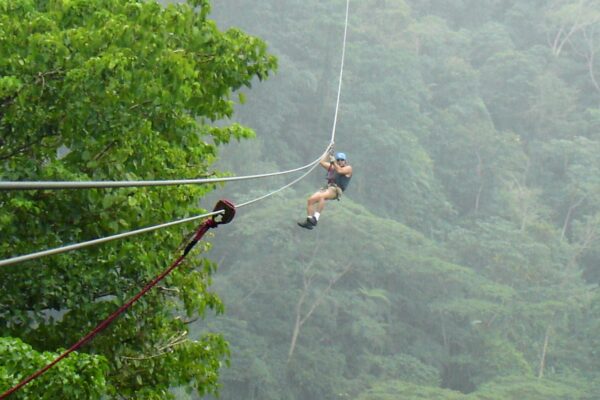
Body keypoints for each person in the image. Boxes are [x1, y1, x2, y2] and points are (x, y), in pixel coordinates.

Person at [298, 151, 352, 229]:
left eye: (342, 160)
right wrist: (328, 153)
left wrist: (334, 162)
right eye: (338, 160)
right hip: (328, 187)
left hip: (336, 190)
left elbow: (340, 171)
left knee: (322, 197)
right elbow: (322, 162)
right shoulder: (333, 167)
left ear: (345, 161)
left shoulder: (348, 168)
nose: (340, 161)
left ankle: (315, 218)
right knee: (311, 200)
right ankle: (309, 220)